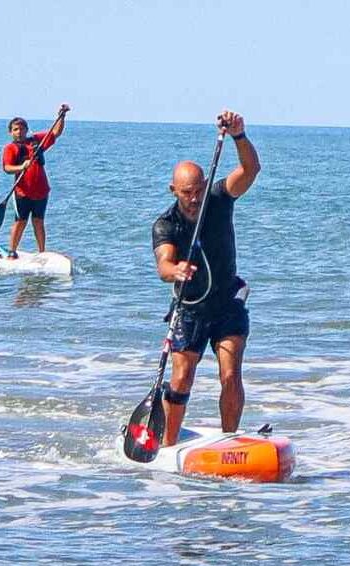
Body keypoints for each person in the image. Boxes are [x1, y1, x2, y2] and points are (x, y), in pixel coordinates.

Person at [151, 109, 260, 446]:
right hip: (190, 308)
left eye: (198, 189)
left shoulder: (219, 198)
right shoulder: (166, 223)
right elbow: (163, 265)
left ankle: (230, 442)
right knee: (182, 377)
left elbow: (250, 170)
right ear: (174, 190)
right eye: (187, 193)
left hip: (227, 303)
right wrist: (176, 270)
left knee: (230, 374)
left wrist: (239, 136)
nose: (195, 198)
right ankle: (168, 447)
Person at [0, 103, 70, 258]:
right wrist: (21, 167)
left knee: (39, 222)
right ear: (11, 132)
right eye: (15, 129)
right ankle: (12, 251)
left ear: (26, 130)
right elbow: (7, 168)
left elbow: (56, 132)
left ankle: (42, 253)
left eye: (22, 129)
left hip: (41, 191)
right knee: (21, 222)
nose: (19, 132)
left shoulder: (36, 141)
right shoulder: (10, 148)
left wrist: (62, 116)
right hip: (22, 192)